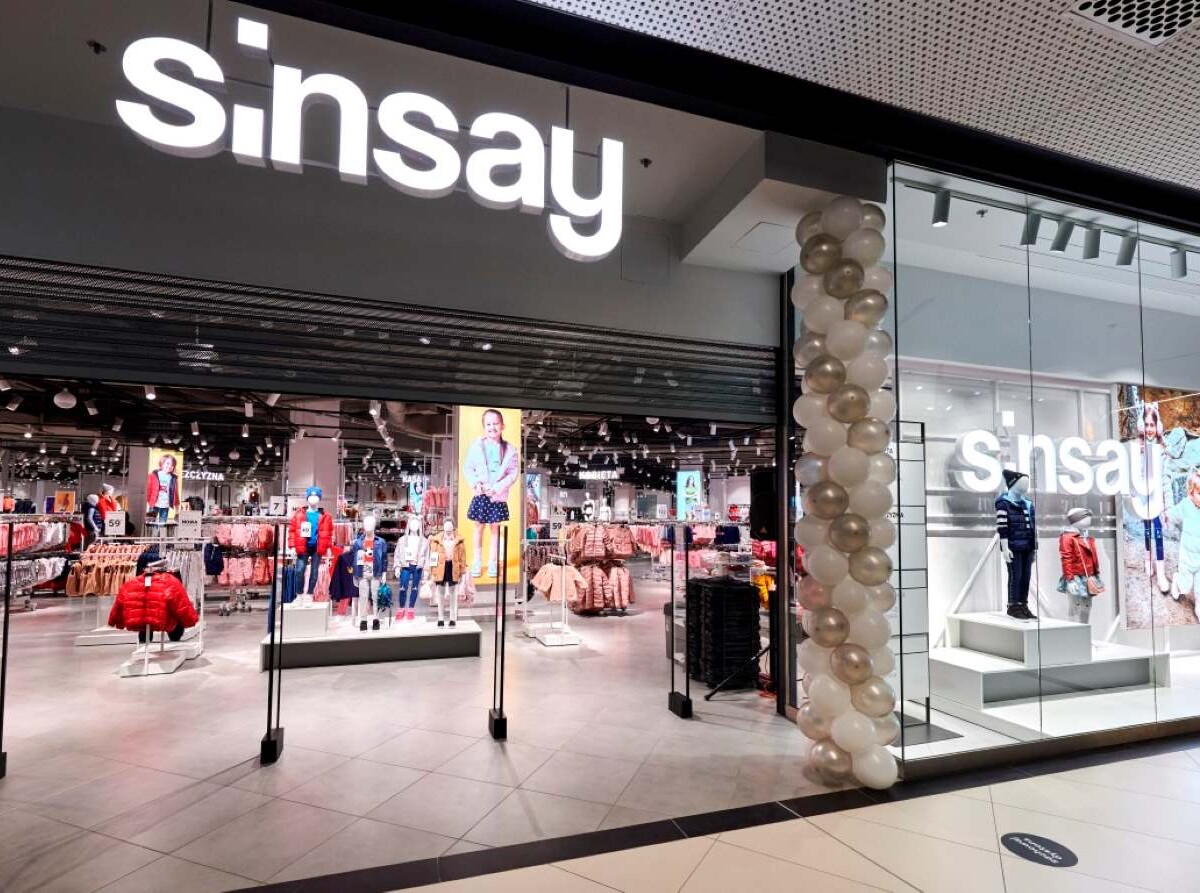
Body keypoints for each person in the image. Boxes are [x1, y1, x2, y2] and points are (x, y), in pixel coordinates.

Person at [463, 408, 519, 577]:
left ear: (503, 426)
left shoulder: (510, 450)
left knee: (495, 529)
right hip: (481, 493)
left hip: (497, 495)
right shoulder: (477, 446)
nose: (492, 427)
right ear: (484, 426)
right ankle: (477, 561)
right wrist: (476, 483)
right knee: (478, 527)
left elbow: (513, 474)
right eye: (488, 424)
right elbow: (468, 467)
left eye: (495, 423)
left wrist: (497, 488)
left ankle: (493, 562)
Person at [1129, 401, 1170, 595]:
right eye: (1146, 424)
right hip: (1144, 497)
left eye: (1152, 425)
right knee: (1146, 529)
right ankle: (1147, 559)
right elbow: (1135, 475)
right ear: (1141, 426)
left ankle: (1161, 573)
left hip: (1157, 499)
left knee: (1158, 531)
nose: (1149, 429)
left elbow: (1166, 479)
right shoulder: (1138, 448)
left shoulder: (1162, 450)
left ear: (1158, 426)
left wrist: (1167, 506)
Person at [146, 454, 179, 525]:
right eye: (168, 463)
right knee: (150, 525)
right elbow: (148, 489)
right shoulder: (153, 475)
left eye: (172, 465)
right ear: (162, 463)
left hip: (165, 506)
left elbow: (175, 494)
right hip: (154, 505)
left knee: (162, 526)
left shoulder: (173, 478)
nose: (170, 466)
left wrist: (177, 510)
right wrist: (150, 502)